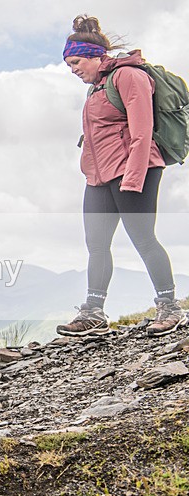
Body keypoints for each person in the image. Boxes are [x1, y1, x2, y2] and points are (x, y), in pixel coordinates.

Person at [57, 15, 187, 338]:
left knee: (143, 238)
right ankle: (93, 312)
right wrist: (89, 172)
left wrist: (133, 177)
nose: (73, 69)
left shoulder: (128, 76)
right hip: (99, 178)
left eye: (75, 62)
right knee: (96, 243)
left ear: (94, 55)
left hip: (134, 169)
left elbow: (142, 131)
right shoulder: (95, 88)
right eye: (69, 64)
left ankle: (170, 307)